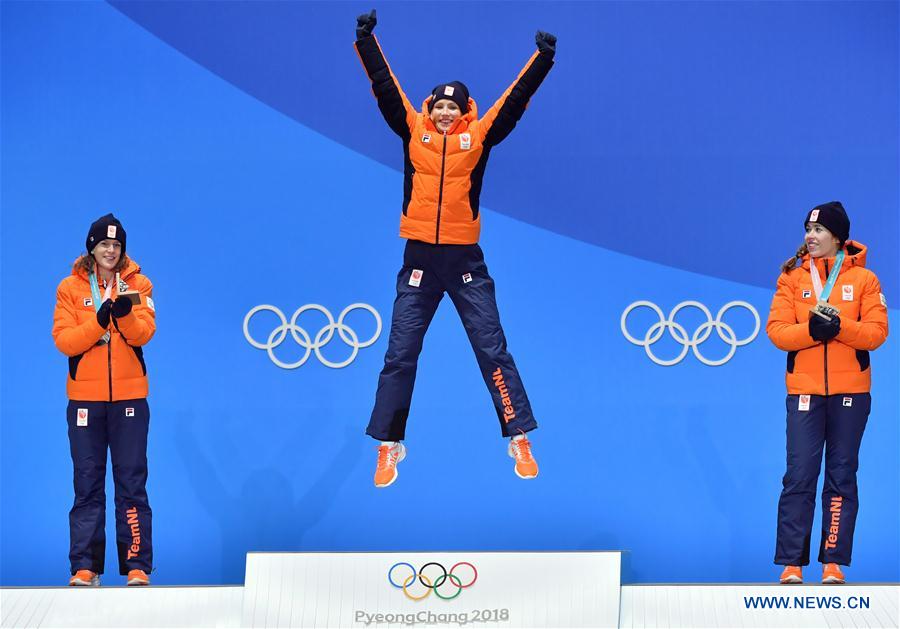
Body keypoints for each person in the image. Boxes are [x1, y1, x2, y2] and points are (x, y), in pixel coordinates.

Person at [354, 10, 555, 487]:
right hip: (419, 259)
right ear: (430, 109)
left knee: (492, 348)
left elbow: (514, 99)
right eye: (439, 106)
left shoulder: (477, 138)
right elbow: (385, 85)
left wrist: (542, 59)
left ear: (464, 111)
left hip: (464, 260)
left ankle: (518, 436)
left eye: (453, 107)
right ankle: (389, 444)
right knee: (399, 354)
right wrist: (366, 41)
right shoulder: (413, 131)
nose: (445, 113)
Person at [766, 201, 888, 584]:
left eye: (818, 231)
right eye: (807, 229)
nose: (810, 236)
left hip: (851, 392)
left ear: (838, 237)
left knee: (841, 476)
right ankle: (791, 564)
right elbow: (777, 332)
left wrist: (838, 328)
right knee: (799, 476)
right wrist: (810, 333)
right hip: (804, 391)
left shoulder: (866, 281)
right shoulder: (792, 279)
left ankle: (832, 562)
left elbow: (876, 334)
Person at [52, 214, 157, 586]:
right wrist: (99, 321)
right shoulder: (69, 288)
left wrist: (125, 317)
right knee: (87, 482)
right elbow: (64, 341)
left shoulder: (138, 283)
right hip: (85, 400)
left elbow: (145, 333)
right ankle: (85, 567)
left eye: (116, 245)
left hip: (129, 398)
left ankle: (136, 566)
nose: (110, 251)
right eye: (104, 245)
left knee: (131, 482)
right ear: (91, 248)